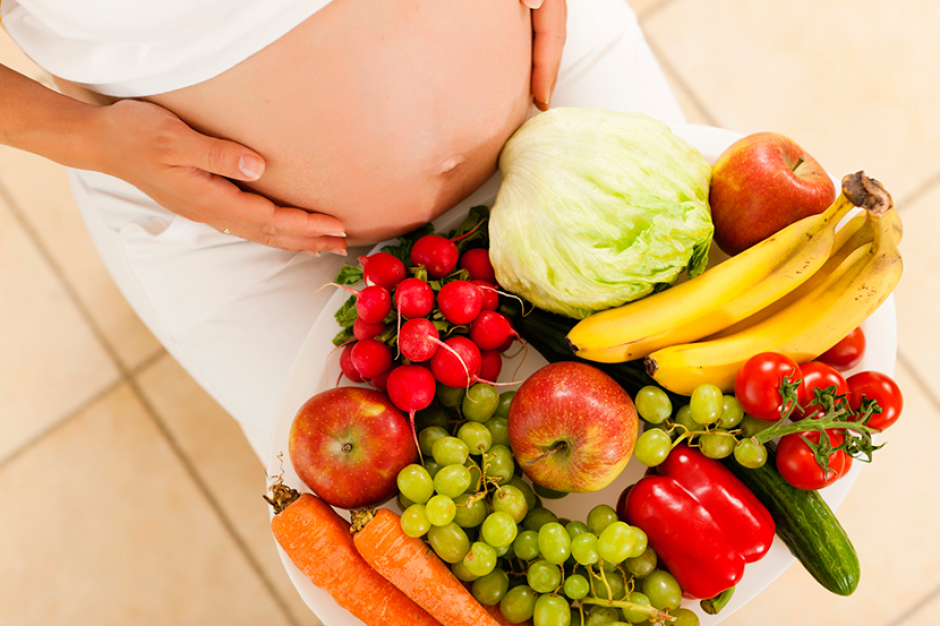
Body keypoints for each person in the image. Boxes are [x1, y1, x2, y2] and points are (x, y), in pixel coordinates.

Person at [0, 0, 685, 460]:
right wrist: (89, 139)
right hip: (220, 215)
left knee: (708, 370)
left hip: (545, 68)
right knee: (394, 548)